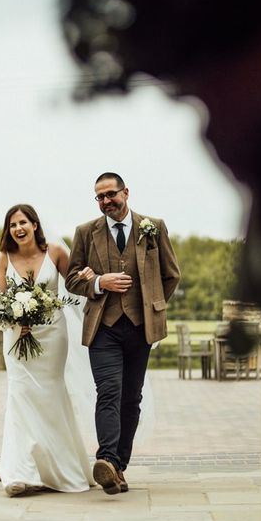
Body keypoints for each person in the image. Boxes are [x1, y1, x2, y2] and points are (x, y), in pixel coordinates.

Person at [65, 173, 180, 495]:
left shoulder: (153, 227)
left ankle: (117, 467)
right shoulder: (86, 232)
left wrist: (152, 307)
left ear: (125, 192)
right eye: (99, 197)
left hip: (141, 329)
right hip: (104, 328)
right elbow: (72, 279)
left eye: (110, 194)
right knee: (109, 392)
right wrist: (100, 283)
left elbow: (171, 275)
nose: (105, 201)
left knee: (132, 398)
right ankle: (106, 458)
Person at [0, 203, 94, 497]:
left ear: (35, 225)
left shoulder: (55, 253)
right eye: (13, 225)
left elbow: (74, 283)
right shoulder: (3, 258)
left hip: (52, 336)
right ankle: (19, 472)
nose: (18, 229)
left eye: (23, 222)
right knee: (20, 395)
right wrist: (15, 317)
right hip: (15, 338)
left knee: (50, 396)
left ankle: (57, 469)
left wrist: (89, 277)